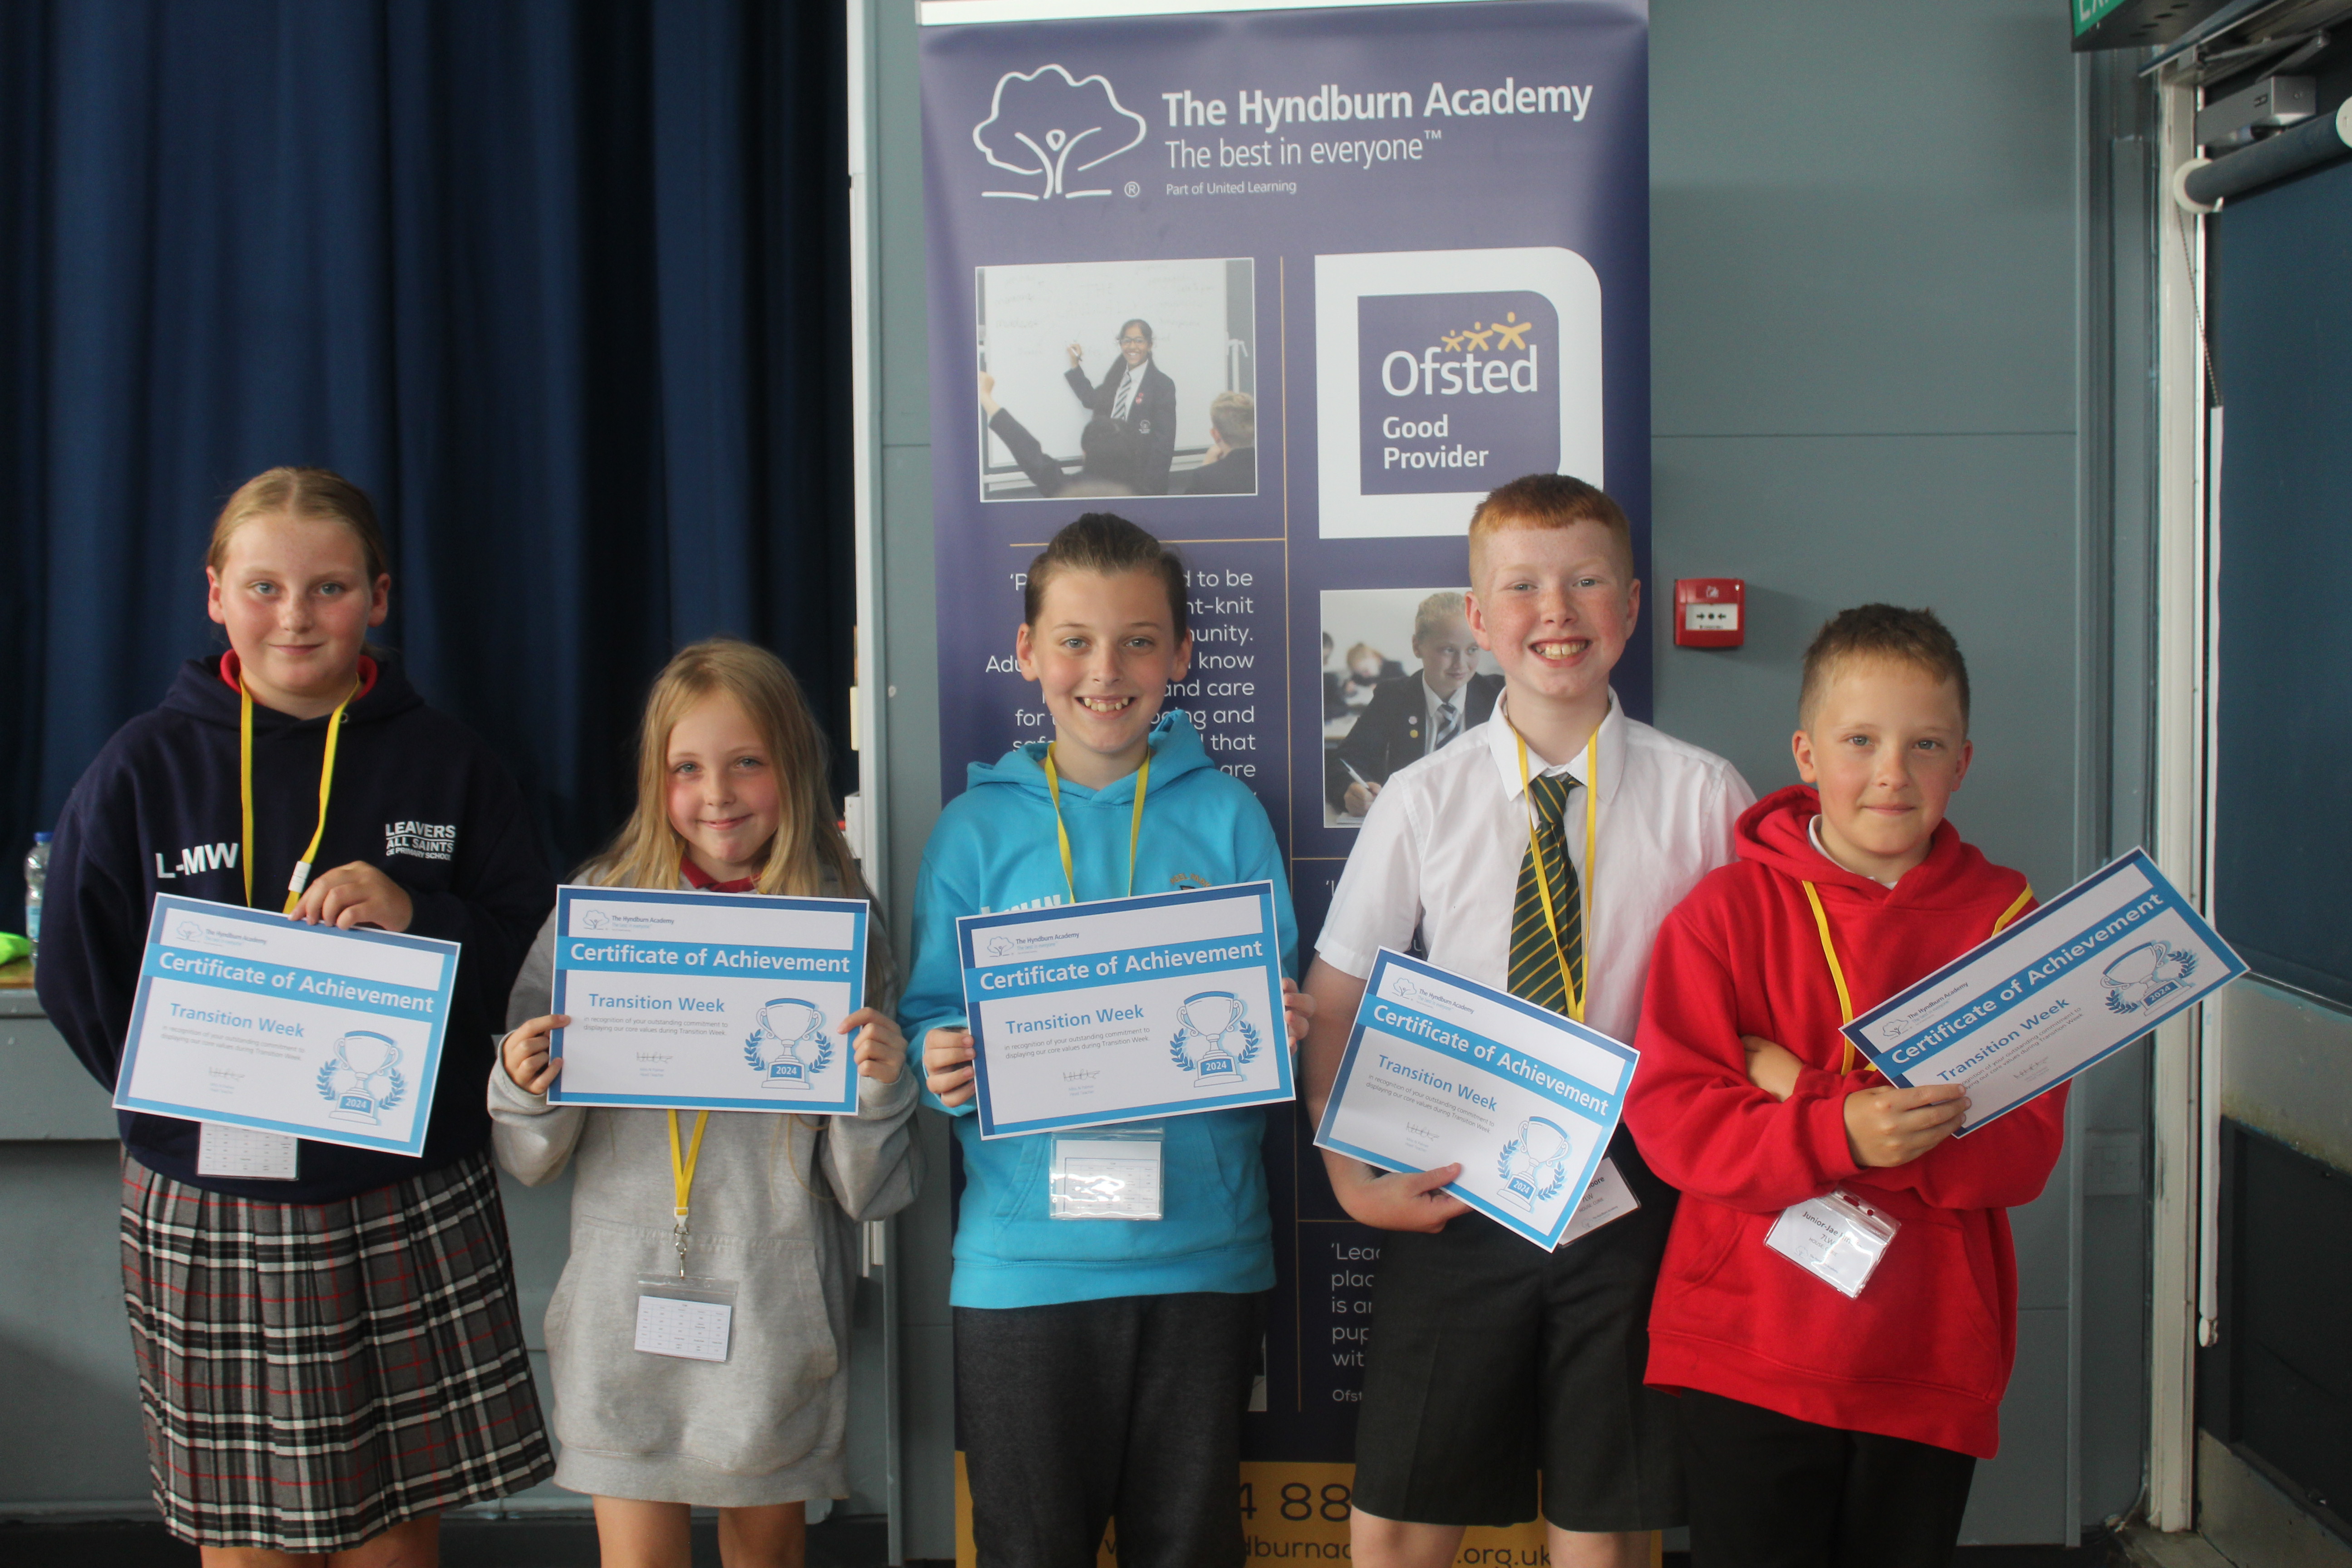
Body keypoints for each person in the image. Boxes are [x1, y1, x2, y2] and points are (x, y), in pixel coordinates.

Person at [36, 467, 554, 1563]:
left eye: (329, 587)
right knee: (242, 1536)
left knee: (395, 1535)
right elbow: (78, 973)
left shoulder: (449, 763)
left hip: (406, 1183)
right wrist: (179, 1098)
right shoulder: (141, 767)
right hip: (210, 1191)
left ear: (379, 596)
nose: (295, 617)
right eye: (264, 586)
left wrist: (420, 914)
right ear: (214, 594)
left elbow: (528, 963)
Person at [1300, 474, 1754, 1568]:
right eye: (1521, 586)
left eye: (1586, 581)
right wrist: (1347, 1174)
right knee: (1401, 1513)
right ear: (1477, 615)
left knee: (1609, 1522)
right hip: (1456, 1185)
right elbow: (1337, 996)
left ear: (1630, 606)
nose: (1556, 609)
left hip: (1635, 1194)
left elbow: (1757, 1002)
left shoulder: (1707, 796)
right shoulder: (1422, 797)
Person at [905, 513, 1313, 1568]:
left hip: (1202, 1255)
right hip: (1024, 1264)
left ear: (1181, 655)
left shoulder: (1227, 816)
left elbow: (1270, 1000)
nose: (1105, 670)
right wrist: (937, 1055)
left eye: (1138, 641)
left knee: (1190, 1544)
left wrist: (1279, 1026)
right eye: (1076, 640)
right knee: (1028, 1546)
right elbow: (927, 1013)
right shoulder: (973, 830)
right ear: (1028, 650)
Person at [1625, 605, 2064, 1568]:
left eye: (1925, 744)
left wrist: (1803, 1093)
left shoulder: (2009, 924)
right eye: (1859, 740)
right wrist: (1846, 1133)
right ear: (1806, 754)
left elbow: (2023, 1148)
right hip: (1747, 1345)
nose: (1892, 773)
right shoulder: (1723, 912)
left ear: (1963, 762)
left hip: (1926, 1352)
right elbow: (1672, 1122)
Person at [490, 637, 920, 1568]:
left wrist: (881, 1087)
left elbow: (870, 1189)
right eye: (686, 768)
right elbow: (530, 1156)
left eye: (746, 762)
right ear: (655, 779)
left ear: (793, 767)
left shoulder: (841, 920)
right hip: (621, 1302)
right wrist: (522, 1083)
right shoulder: (599, 911)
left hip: (773, 1310)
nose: (716, 794)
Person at [1326, 590, 1502, 817]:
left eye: (1472, 649)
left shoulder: (1498, 696)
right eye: (1448, 650)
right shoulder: (1393, 697)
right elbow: (1343, 763)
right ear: (1417, 647)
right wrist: (1350, 791)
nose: (1461, 663)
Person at [980, 372, 1145, 498]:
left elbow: (1026, 448)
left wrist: (985, 396)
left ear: (1085, 453)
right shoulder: (1142, 492)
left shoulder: (1067, 491)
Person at [1066, 320, 1177, 495]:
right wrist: (1075, 367)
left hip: (1142, 482)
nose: (1132, 347)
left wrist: (1149, 491)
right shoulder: (1116, 378)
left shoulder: (1162, 385)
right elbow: (1091, 400)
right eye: (1127, 341)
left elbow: (1164, 443)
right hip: (1107, 478)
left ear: (1149, 345)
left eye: (1139, 341)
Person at [1179, 391, 1256, 496]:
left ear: (1215, 434)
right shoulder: (1273, 470)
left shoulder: (1204, 478)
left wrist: (1206, 466)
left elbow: (1188, 506)